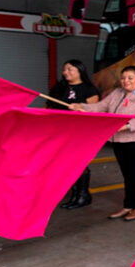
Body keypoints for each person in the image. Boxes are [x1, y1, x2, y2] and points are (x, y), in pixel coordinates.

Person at [73, 65, 135, 221]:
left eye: (130, 78)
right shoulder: (117, 93)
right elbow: (100, 106)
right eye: (123, 78)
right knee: (126, 174)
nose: (126, 81)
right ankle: (128, 205)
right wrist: (81, 107)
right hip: (119, 140)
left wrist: (127, 126)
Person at [47, 59, 101, 209]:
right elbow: (49, 107)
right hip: (60, 131)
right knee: (67, 163)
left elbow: (94, 111)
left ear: (80, 71)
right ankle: (75, 194)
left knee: (79, 162)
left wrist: (80, 109)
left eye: (70, 69)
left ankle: (83, 195)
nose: (65, 72)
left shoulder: (89, 89)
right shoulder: (59, 87)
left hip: (81, 132)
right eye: (64, 70)